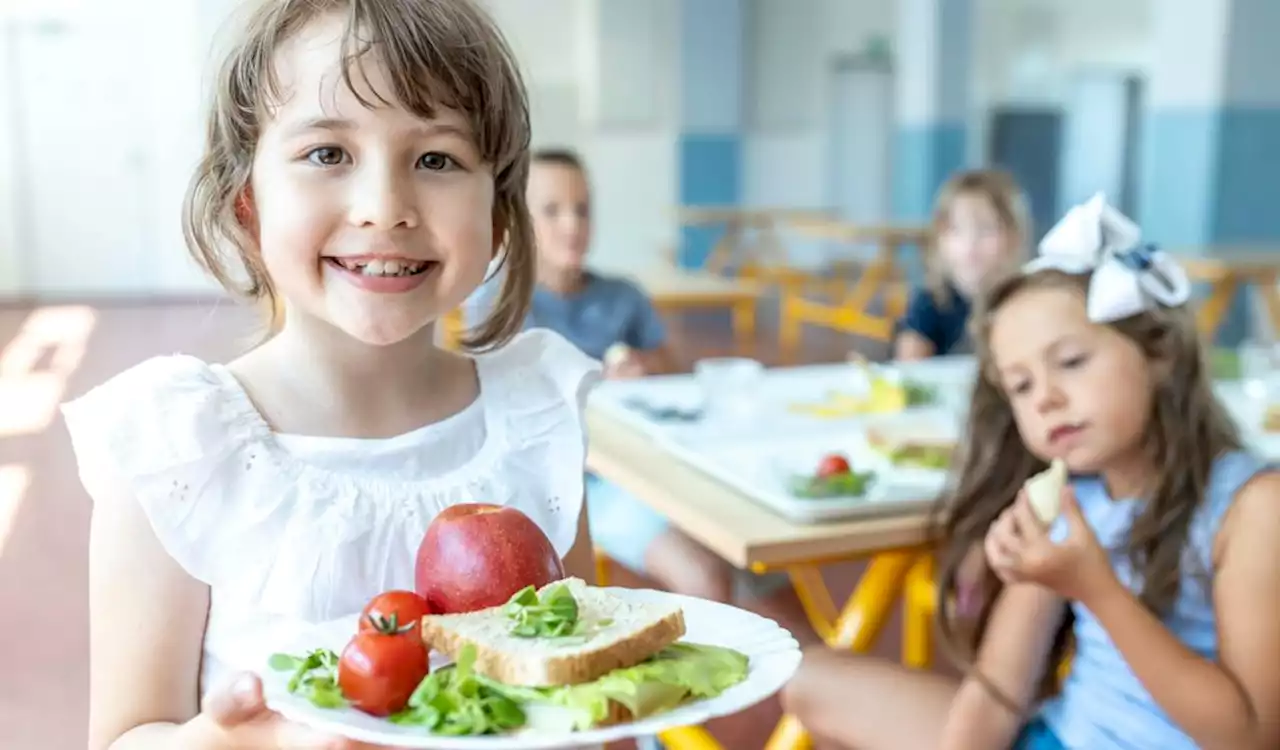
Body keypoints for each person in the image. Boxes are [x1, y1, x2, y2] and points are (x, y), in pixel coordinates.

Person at [65, 2, 602, 749]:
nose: (385, 208)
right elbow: (125, 735)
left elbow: (584, 680)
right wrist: (251, 740)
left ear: (500, 217)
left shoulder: (537, 420)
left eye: (437, 158)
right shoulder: (177, 448)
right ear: (247, 202)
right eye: (327, 153)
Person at [781, 194, 1280, 750]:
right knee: (811, 679)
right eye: (1020, 385)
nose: (1045, 399)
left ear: (1159, 354)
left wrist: (1097, 590)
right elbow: (999, 690)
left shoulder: (1253, 506)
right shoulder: (1069, 498)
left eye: (1070, 362)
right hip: (1062, 736)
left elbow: (1252, 736)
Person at [471, 148, 813, 632]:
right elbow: (496, 402)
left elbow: (672, 368)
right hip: (584, 484)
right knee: (705, 575)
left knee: (762, 557)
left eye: (583, 209)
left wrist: (644, 366)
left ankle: (813, 680)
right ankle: (703, 704)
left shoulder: (622, 295)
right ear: (519, 223)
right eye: (552, 210)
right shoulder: (500, 303)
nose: (572, 224)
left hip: (658, 465)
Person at [894, 168, 1029, 361]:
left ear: (1013, 236)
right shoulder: (929, 302)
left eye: (986, 229)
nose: (970, 242)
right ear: (940, 238)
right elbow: (908, 373)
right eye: (956, 229)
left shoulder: (1023, 302)